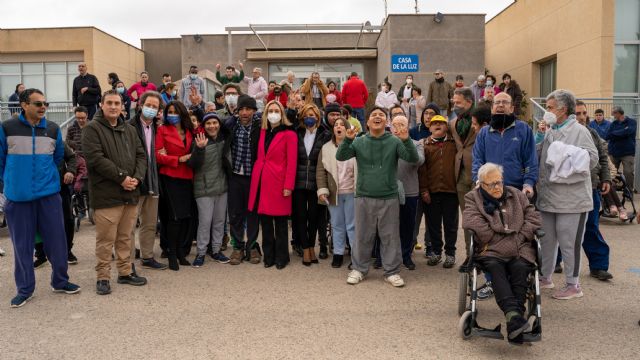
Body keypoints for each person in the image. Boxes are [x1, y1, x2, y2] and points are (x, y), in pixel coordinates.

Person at [0, 88, 81, 307]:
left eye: (45, 103)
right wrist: (11, 183)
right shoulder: (7, 128)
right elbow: (1, 160)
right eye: (38, 103)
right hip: (18, 198)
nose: (43, 107)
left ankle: (61, 282)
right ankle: (25, 289)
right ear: (24, 105)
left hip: (48, 196)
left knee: (57, 241)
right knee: (22, 245)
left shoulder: (53, 129)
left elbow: (57, 158)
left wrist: (47, 179)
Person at [337, 106, 419, 287]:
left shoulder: (395, 141)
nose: (377, 117)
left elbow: (413, 159)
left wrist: (406, 141)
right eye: (373, 114)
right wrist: (347, 140)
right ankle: (359, 269)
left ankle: (392, 271)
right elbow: (341, 156)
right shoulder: (359, 141)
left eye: (381, 115)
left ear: (387, 121)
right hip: (364, 196)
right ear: (367, 122)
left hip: (389, 196)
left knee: (390, 236)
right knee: (362, 236)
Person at [462, 162, 542, 344]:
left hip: (520, 248)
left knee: (521, 268)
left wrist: (520, 237)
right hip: (490, 250)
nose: (497, 187)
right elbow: (473, 223)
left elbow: (533, 218)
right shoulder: (472, 198)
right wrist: (505, 240)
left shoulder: (517, 195)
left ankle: (514, 320)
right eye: (492, 184)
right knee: (496, 269)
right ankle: (515, 320)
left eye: (499, 182)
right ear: (481, 184)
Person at [471, 92, 538, 299]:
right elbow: (477, 162)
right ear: (492, 108)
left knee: (516, 234)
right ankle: (493, 281)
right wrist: (478, 183)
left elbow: (531, 161)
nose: (500, 106)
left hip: (516, 193)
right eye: (497, 103)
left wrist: (528, 184)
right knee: (489, 236)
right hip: (489, 191)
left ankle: (517, 277)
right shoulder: (484, 133)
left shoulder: (523, 130)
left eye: (505, 103)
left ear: (512, 107)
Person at [83, 89, 148, 295]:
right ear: (101, 105)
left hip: (130, 193)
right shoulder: (92, 129)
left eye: (117, 103)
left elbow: (141, 155)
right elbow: (95, 159)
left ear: (122, 107)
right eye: (109, 102)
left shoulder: (129, 129)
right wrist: (122, 178)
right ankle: (102, 277)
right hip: (107, 195)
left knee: (125, 238)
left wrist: (136, 178)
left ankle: (125, 272)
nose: (113, 106)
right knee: (105, 240)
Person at [537, 89, 598, 300]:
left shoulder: (580, 131)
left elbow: (592, 158)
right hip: (547, 197)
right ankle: (545, 277)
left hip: (572, 200)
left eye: (550, 107)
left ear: (562, 109)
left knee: (569, 242)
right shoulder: (549, 129)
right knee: (546, 240)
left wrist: (565, 154)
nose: (547, 111)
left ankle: (573, 285)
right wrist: (539, 136)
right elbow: (539, 156)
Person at [248, 101, 297, 269]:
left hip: (279, 183)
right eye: (270, 110)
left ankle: (282, 257)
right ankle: (269, 256)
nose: (273, 113)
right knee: (266, 223)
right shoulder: (262, 132)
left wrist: (288, 185)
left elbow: (292, 163)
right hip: (262, 182)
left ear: (282, 113)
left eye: (276, 110)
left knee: (281, 224)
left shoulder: (289, 134)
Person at [573, 100, 613, 281]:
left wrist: (606, 179)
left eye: (583, 113)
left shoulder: (592, 133)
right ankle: (555, 262)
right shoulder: (560, 134)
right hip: (567, 191)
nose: (581, 117)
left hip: (591, 189)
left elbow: (603, 159)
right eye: (577, 114)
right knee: (561, 229)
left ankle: (598, 266)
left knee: (591, 227)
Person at [128, 91, 167, 271]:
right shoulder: (128, 127)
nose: (151, 109)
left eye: (155, 107)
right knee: (128, 226)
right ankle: (127, 263)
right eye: (148, 105)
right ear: (140, 105)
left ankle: (147, 256)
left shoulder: (159, 128)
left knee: (149, 223)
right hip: (136, 182)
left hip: (153, 182)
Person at [189, 112, 232, 267]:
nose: (212, 126)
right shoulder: (199, 140)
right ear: (204, 126)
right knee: (205, 222)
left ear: (219, 124)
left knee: (220, 222)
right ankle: (201, 252)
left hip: (222, 187)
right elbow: (193, 164)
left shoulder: (225, 138)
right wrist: (199, 149)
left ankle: (216, 250)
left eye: (215, 122)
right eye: (208, 123)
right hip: (204, 189)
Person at [155, 100, 195, 270]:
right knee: (174, 217)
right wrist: (177, 159)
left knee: (185, 216)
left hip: (187, 177)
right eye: (169, 112)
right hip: (170, 177)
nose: (172, 115)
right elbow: (158, 155)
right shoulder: (162, 130)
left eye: (175, 111)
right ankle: (171, 253)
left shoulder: (189, 130)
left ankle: (180, 251)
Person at [223, 95, 262, 265]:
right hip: (235, 177)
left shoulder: (261, 127)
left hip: (253, 177)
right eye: (242, 109)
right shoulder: (230, 125)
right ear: (236, 111)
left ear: (254, 111)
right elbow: (208, 123)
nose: (245, 113)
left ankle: (252, 246)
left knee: (252, 214)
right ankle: (237, 247)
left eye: (248, 109)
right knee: (235, 213)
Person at [293, 103, 331, 265]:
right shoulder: (296, 133)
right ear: (302, 117)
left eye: (313, 115)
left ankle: (312, 246)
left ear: (318, 117)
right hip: (299, 182)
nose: (310, 118)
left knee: (314, 217)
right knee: (301, 217)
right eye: (307, 115)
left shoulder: (325, 134)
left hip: (317, 182)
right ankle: (306, 249)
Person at [419, 115, 459, 268]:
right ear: (429, 127)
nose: (437, 125)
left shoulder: (454, 143)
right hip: (432, 192)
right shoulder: (425, 145)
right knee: (433, 225)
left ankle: (450, 253)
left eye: (441, 123)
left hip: (451, 191)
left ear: (446, 127)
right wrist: (424, 190)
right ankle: (436, 252)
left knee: (451, 225)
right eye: (434, 123)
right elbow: (422, 170)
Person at [317, 117, 356, 268]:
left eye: (342, 125)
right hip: (334, 193)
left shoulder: (356, 145)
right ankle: (338, 253)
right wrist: (322, 189)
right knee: (337, 224)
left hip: (352, 191)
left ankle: (355, 254)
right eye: (336, 125)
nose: (338, 127)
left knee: (352, 225)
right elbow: (321, 171)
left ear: (348, 129)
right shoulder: (326, 148)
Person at [393, 115, 425, 270]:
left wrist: (406, 141)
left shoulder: (417, 144)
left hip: (409, 191)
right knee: (389, 226)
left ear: (407, 126)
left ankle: (406, 255)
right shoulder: (386, 142)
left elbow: (418, 161)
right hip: (389, 191)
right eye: (395, 124)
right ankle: (388, 256)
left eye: (402, 124)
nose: (398, 127)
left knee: (407, 225)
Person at [450, 87, 477, 254]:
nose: (455, 105)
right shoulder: (453, 123)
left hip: (478, 174)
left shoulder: (481, 119)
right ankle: (470, 254)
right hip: (460, 175)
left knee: (480, 218)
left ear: (469, 102)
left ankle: (485, 254)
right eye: (454, 102)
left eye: (458, 102)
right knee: (466, 218)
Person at [605, 106, 636, 191]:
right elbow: (607, 136)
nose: (611, 115)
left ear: (618, 113)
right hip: (614, 152)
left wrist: (615, 134)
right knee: (610, 173)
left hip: (627, 153)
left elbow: (629, 131)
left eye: (613, 113)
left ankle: (629, 192)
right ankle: (610, 192)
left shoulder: (632, 122)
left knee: (628, 172)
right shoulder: (613, 124)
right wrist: (623, 132)